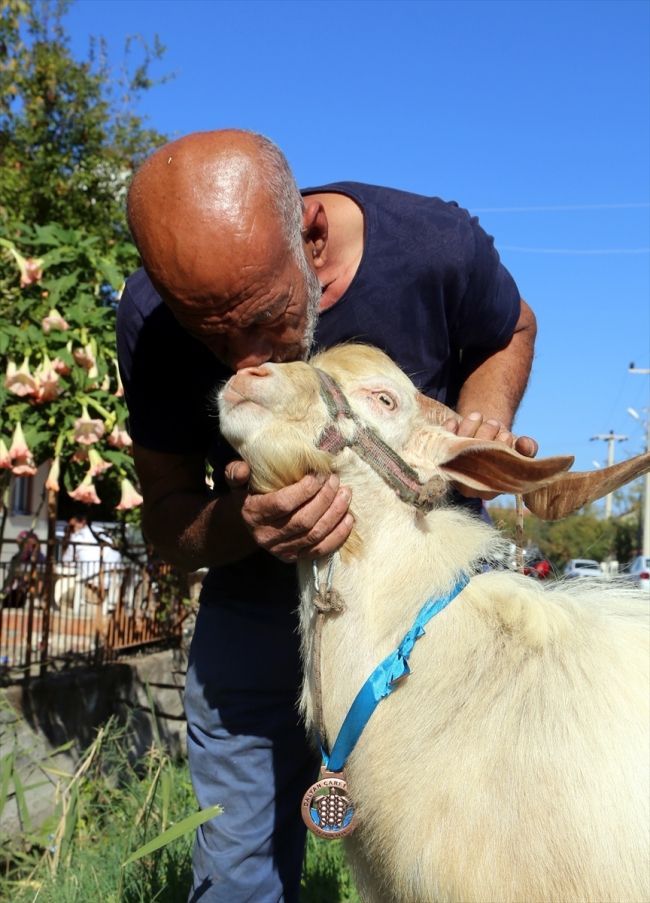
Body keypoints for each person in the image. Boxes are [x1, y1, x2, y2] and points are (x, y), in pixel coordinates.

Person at [117, 129, 538, 902]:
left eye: (264, 314)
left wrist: (480, 420)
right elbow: (166, 519)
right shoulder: (149, 320)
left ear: (309, 237)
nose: (248, 359)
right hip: (256, 612)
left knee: (461, 864)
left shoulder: (433, 246)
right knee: (234, 874)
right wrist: (242, 525)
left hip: (429, 620)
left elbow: (511, 328)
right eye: (209, 331)